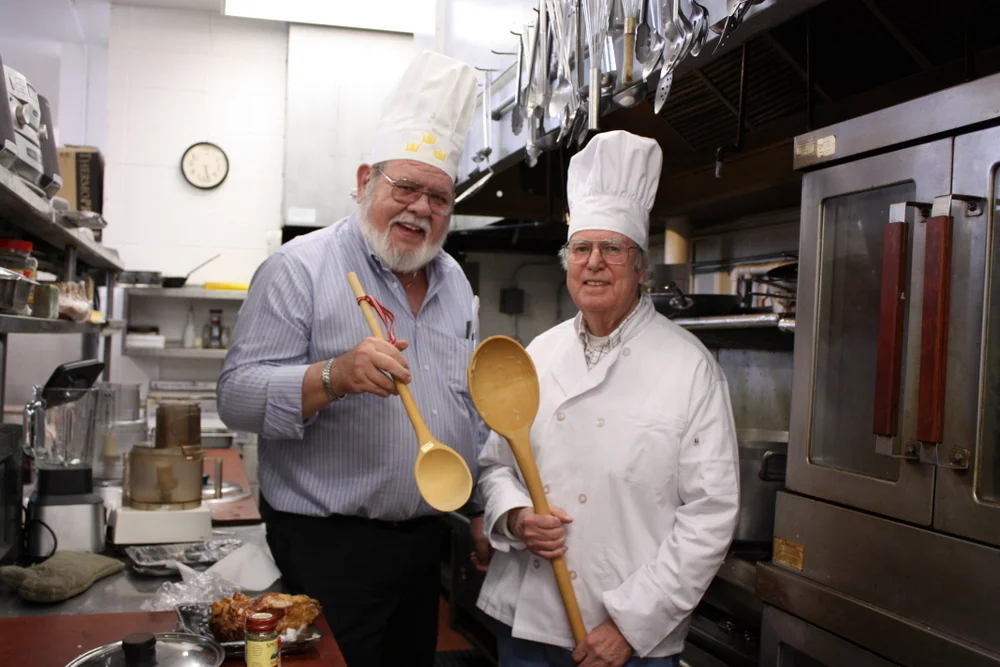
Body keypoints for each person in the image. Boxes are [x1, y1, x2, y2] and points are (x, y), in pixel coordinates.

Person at [217, 51, 491, 667]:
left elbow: (463, 410)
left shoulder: (456, 288)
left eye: (440, 197)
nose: (422, 208)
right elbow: (235, 395)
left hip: (423, 548)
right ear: (367, 179)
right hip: (324, 551)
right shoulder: (300, 269)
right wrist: (332, 376)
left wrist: (480, 510)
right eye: (406, 187)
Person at [474, 130, 740, 667]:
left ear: (640, 266)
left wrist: (630, 624)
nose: (593, 262)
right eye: (581, 248)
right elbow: (495, 467)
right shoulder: (538, 354)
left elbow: (710, 515)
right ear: (567, 261)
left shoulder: (689, 367)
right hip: (527, 623)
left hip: (624, 637)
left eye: (611, 249)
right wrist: (516, 516)